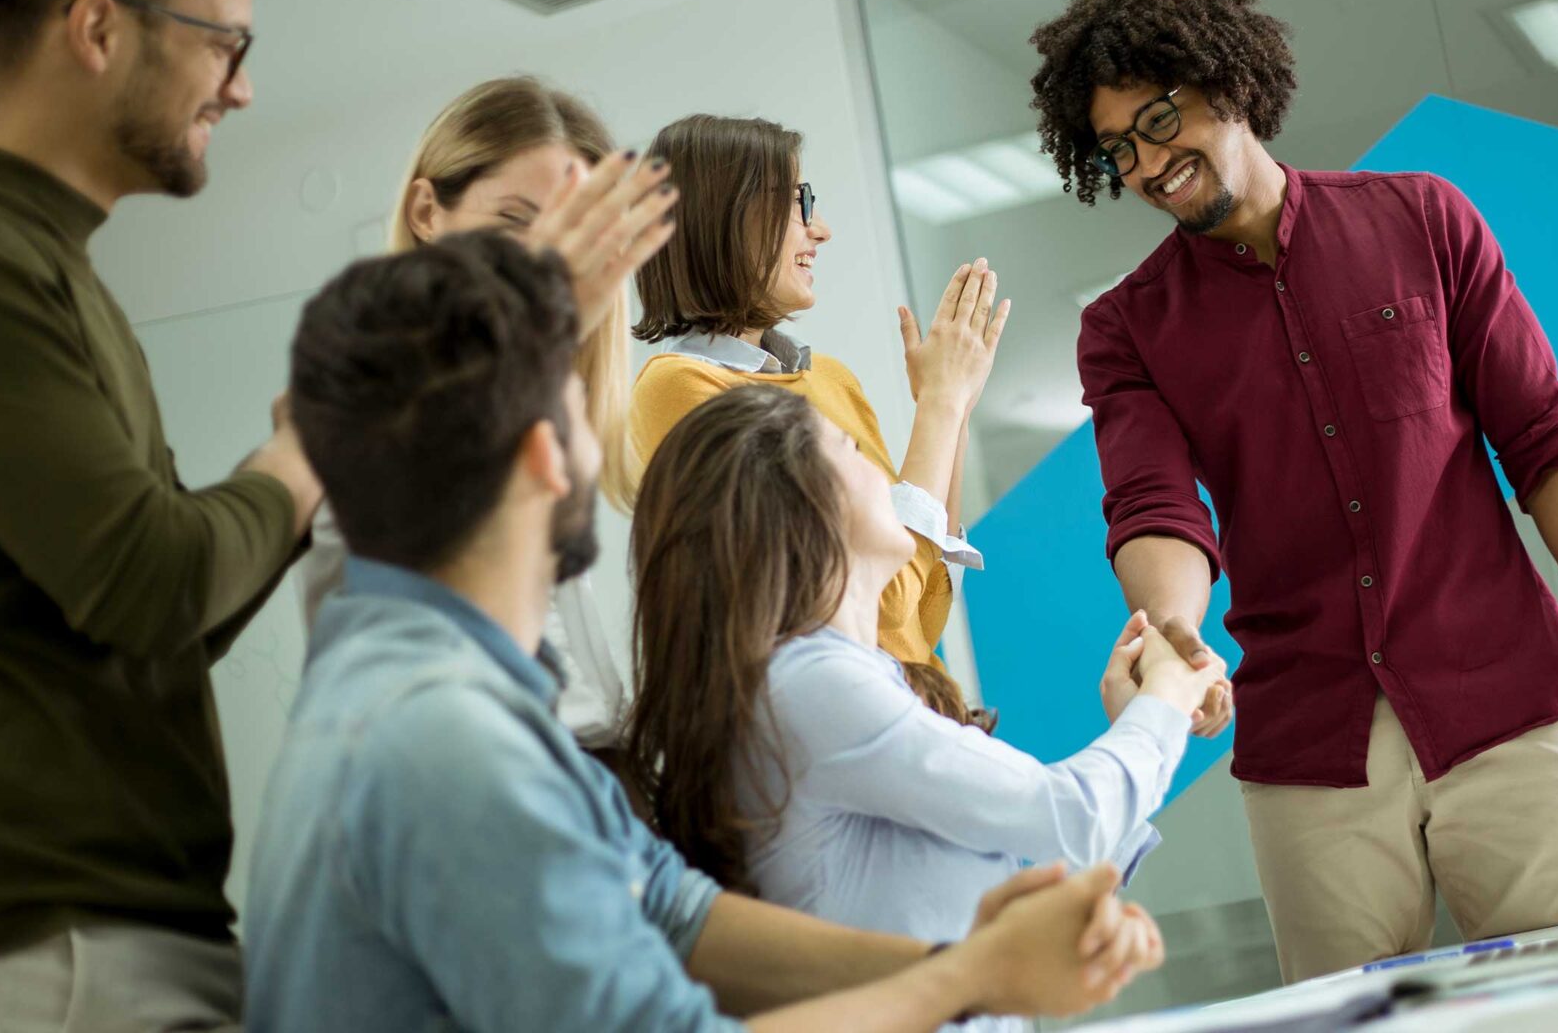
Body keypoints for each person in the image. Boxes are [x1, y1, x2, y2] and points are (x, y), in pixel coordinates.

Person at [248, 229, 1161, 1032]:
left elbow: (677, 912)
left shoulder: (405, 689)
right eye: (584, 411)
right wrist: (969, 975)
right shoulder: (449, 740)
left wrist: (962, 972)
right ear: (544, 458)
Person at [1026, 0, 1558, 982]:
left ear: (1230, 87)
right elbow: (1157, 503)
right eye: (1118, 149)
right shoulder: (1125, 329)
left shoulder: (1423, 220)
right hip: (1311, 753)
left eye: (1159, 121)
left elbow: (1546, 440)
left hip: (1506, 709)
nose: (1148, 164)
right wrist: (1174, 636)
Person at [622, 384, 1221, 1031]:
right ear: (804, 501)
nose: (882, 472)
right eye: (852, 448)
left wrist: (1136, 721)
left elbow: (1022, 862)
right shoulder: (812, 684)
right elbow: (1073, 816)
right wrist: (1163, 700)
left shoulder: (837, 679)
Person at [0, 0, 321, 1027]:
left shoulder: (60, 269)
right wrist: (301, 462)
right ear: (97, 29)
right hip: (70, 950)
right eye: (226, 43)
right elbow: (149, 578)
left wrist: (306, 487)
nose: (242, 87)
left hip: (130, 937)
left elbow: (161, 618)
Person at [297, 75, 675, 749]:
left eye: (573, 228)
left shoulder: (546, 400)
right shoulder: (380, 404)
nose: (545, 258)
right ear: (426, 212)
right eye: (513, 220)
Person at [628, 114, 1008, 730]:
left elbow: (922, 614)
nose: (821, 230)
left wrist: (953, 408)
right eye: (799, 202)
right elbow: (878, 613)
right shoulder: (682, 388)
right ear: (724, 214)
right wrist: (938, 406)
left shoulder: (830, 378)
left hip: (919, 724)